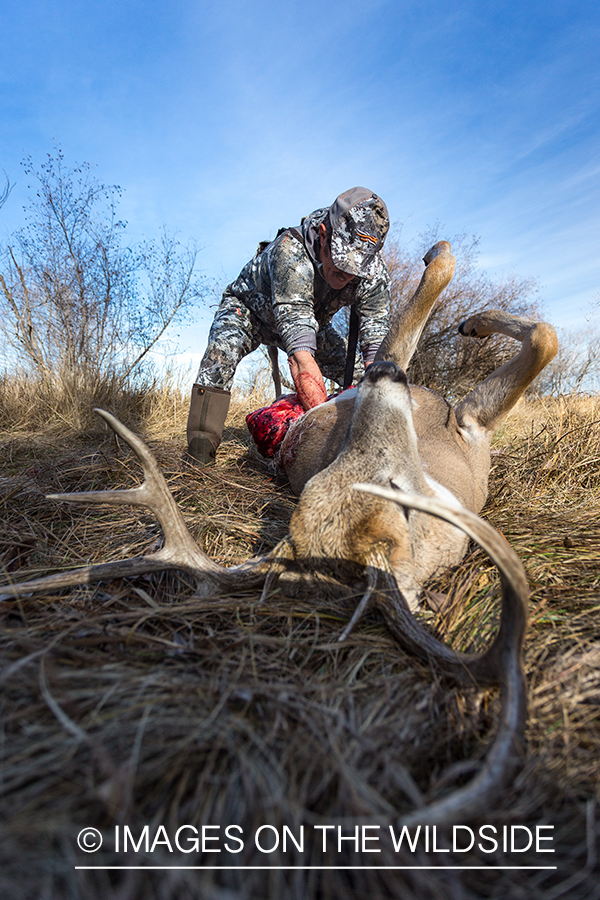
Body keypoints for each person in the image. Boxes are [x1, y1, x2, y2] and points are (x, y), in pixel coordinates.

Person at [186, 186, 391, 465]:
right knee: (219, 356)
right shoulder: (290, 253)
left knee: (361, 373)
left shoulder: (373, 273)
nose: (347, 274)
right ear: (322, 234)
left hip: (314, 324)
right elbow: (300, 358)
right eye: (342, 262)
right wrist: (328, 438)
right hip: (252, 312)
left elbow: (376, 350)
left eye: (357, 268)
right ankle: (199, 456)